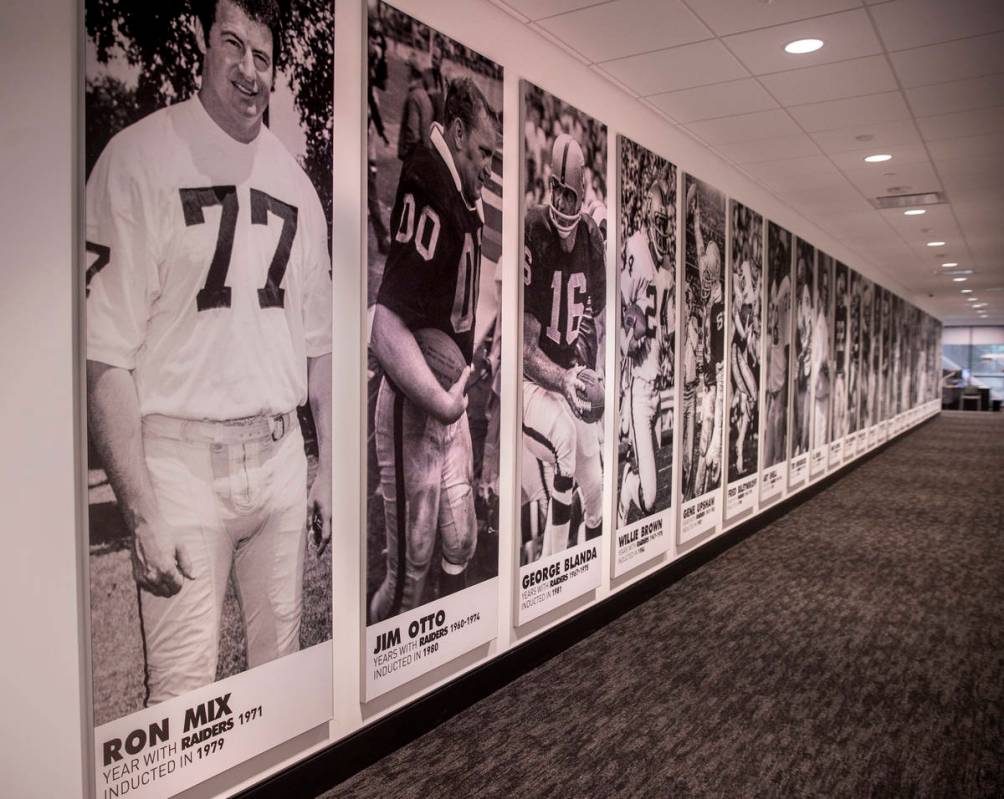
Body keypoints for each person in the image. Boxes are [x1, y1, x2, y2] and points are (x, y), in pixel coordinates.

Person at [85, 0, 333, 705]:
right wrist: (140, 511)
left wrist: (326, 472)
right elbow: (106, 357)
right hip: (180, 466)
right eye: (233, 44)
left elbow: (320, 351)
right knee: (181, 703)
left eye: (263, 54)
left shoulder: (296, 186)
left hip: (282, 459)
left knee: (281, 686)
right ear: (201, 39)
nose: (250, 70)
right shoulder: (137, 159)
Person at [369, 77, 499, 621]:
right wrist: (444, 401)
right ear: (459, 132)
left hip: (448, 401)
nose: (488, 169)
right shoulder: (427, 177)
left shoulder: (461, 191)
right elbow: (384, 324)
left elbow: (460, 302)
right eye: (483, 153)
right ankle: (384, 678)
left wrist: (476, 354)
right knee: (409, 572)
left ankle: (446, 658)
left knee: (461, 541)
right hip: (414, 402)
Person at [523, 133, 606, 558]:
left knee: (595, 490)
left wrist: (588, 368)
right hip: (531, 381)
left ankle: (591, 568)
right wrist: (566, 377)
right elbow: (523, 350)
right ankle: (551, 565)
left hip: (567, 374)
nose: (561, 201)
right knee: (564, 446)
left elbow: (597, 317)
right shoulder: (534, 230)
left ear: (582, 193)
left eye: (569, 193)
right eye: (556, 189)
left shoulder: (591, 238)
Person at [618, 181, 674, 526]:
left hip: (655, 386)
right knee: (651, 498)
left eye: (666, 222)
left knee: (657, 477)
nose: (663, 228)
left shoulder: (664, 268)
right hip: (638, 387)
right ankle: (625, 486)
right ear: (647, 216)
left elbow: (659, 323)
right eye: (659, 220)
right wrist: (629, 337)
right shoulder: (636, 248)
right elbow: (618, 305)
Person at [689, 188, 724, 496]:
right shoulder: (708, 286)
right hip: (703, 371)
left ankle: (700, 490)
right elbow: (699, 242)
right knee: (700, 436)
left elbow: (715, 339)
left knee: (707, 435)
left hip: (710, 374)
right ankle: (698, 488)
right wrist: (697, 217)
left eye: (710, 273)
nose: (706, 277)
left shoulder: (719, 300)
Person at [810, 259, 830, 451]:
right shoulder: (817, 322)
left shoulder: (822, 324)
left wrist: (817, 377)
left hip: (820, 381)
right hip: (817, 380)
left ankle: (819, 452)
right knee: (816, 420)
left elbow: (822, 357)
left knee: (820, 419)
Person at [398, 54, 433, 162]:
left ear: (412, 72)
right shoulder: (425, 96)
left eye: (408, 69)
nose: (406, 73)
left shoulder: (413, 97)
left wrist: (407, 157)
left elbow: (412, 133)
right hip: (422, 156)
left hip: (412, 158)